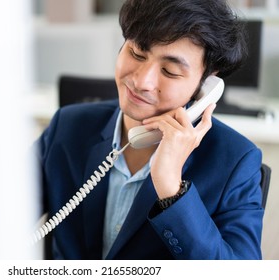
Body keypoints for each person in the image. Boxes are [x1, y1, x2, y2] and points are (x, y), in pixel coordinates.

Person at [33, 0, 264, 259]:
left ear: (204, 84)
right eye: (136, 54)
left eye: (170, 70)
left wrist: (172, 190)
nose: (142, 81)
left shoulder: (235, 161)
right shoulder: (67, 127)